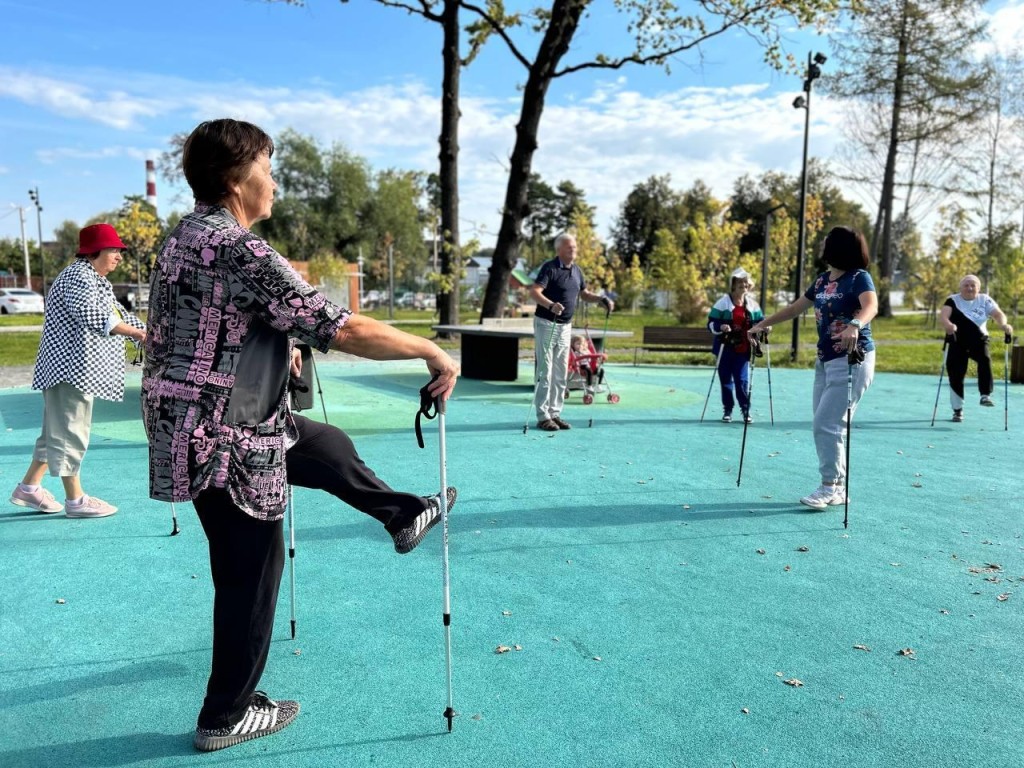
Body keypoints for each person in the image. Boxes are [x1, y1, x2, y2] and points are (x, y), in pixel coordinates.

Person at [140, 119, 459, 752]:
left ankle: (401, 514)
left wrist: (273, 340)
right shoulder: (240, 250)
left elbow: (210, 319)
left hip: (212, 419)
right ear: (237, 180)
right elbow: (338, 328)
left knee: (321, 443)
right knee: (250, 572)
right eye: (267, 167)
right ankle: (224, 714)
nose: (275, 181)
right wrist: (429, 349)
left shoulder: (185, 238)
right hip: (223, 436)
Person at [9, 223, 146, 519]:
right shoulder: (78, 277)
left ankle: (28, 488)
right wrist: (139, 335)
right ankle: (75, 499)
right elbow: (93, 316)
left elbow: (119, 315)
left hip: (75, 369)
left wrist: (150, 330)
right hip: (70, 369)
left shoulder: (95, 279)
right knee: (71, 431)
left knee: (55, 433)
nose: (119, 256)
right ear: (94, 251)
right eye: (114, 250)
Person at [749, 226, 877, 510]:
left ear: (837, 247)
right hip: (826, 360)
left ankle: (828, 486)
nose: (821, 246)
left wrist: (856, 324)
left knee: (827, 423)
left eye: (826, 242)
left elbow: (871, 306)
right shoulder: (821, 282)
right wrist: (762, 324)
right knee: (827, 423)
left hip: (852, 358)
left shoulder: (858, 278)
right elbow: (795, 309)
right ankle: (838, 486)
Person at [528, 233, 613, 431]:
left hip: (566, 326)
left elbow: (584, 294)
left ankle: (555, 413)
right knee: (545, 371)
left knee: (561, 372)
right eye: (569, 247)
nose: (573, 250)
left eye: (574, 247)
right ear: (559, 250)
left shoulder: (577, 271)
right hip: (547, 323)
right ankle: (543, 416)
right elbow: (534, 292)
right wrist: (550, 305)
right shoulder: (550, 268)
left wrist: (601, 300)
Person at [940, 274, 1013, 422]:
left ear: (978, 288)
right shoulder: (952, 300)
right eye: (966, 285)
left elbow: (998, 314)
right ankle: (957, 410)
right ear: (961, 287)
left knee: (985, 359)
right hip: (957, 341)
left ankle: (985, 395)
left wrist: (1004, 325)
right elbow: (943, 316)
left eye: (973, 285)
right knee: (955, 374)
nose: (969, 288)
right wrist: (948, 325)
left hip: (979, 340)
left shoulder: (984, 299)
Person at [707, 267, 764, 423]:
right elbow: (711, 323)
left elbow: (761, 321)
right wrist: (721, 327)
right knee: (725, 380)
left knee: (741, 380)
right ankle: (728, 410)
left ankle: (745, 410)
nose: (743, 285)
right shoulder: (722, 303)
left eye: (745, 282)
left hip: (743, 348)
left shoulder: (753, 305)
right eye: (740, 282)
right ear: (733, 284)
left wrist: (765, 327)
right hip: (725, 348)